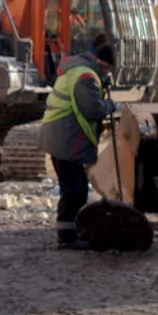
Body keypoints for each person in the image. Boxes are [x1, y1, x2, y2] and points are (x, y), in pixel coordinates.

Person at [40, 41, 116, 249]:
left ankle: (70, 234)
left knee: (75, 187)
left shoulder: (77, 69)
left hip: (61, 135)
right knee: (74, 189)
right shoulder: (85, 76)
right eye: (109, 69)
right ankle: (68, 237)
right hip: (66, 137)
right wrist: (110, 105)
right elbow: (92, 110)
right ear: (104, 64)